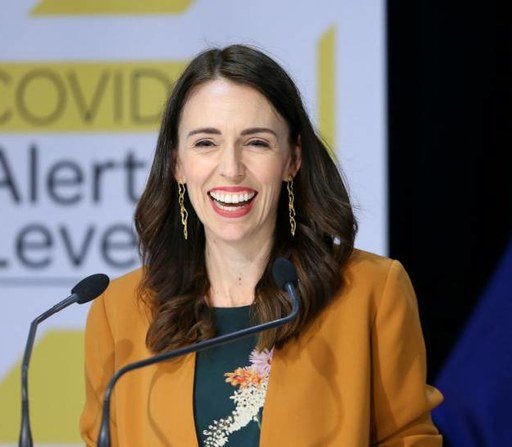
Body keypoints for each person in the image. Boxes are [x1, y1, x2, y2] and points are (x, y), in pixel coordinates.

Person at [80, 44, 443, 446]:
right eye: (206, 143)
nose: (231, 168)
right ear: (177, 165)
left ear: (292, 159)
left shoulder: (371, 292)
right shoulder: (118, 310)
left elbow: (409, 439)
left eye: (256, 142)